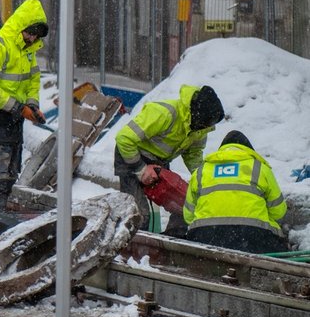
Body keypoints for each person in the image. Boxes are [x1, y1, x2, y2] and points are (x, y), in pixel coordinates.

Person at [0, 0, 49, 232]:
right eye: (30, 33)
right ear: (21, 26)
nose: (32, 39)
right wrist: (20, 108)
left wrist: (32, 105)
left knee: (7, 179)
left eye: (36, 35)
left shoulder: (26, 52)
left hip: (11, 123)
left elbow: (32, 81)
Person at [115, 84, 225, 232]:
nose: (205, 128)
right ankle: (133, 252)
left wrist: (203, 180)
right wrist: (140, 169)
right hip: (131, 158)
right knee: (140, 215)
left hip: (159, 163)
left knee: (185, 209)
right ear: (196, 114)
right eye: (204, 124)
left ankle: (170, 244)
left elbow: (193, 155)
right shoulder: (164, 113)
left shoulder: (200, 127)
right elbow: (124, 138)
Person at [184, 130, 289, 254]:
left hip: (205, 238)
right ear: (249, 150)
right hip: (252, 238)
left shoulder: (201, 171)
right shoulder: (260, 168)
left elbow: (188, 216)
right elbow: (278, 212)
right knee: (279, 239)